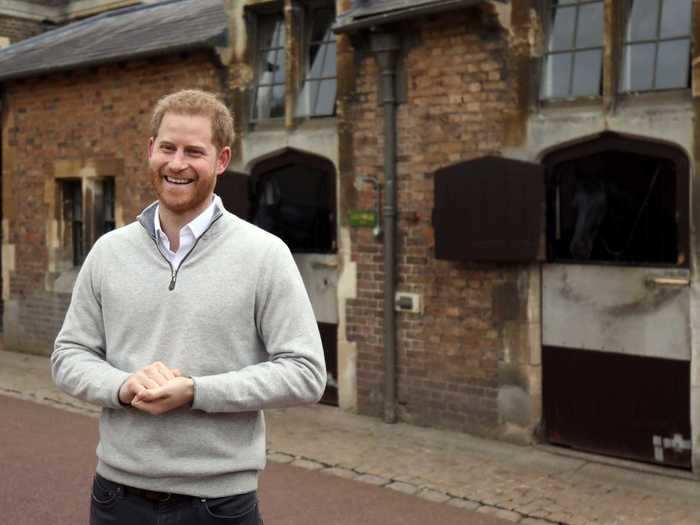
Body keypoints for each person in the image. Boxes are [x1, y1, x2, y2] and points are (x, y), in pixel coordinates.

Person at [51, 89, 326, 524]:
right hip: (116, 498)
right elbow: (68, 356)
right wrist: (123, 386)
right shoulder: (109, 251)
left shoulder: (264, 254)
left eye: (194, 151)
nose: (177, 164)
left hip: (217, 505)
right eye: (168, 148)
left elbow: (306, 373)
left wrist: (197, 391)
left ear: (221, 160)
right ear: (150, 150)